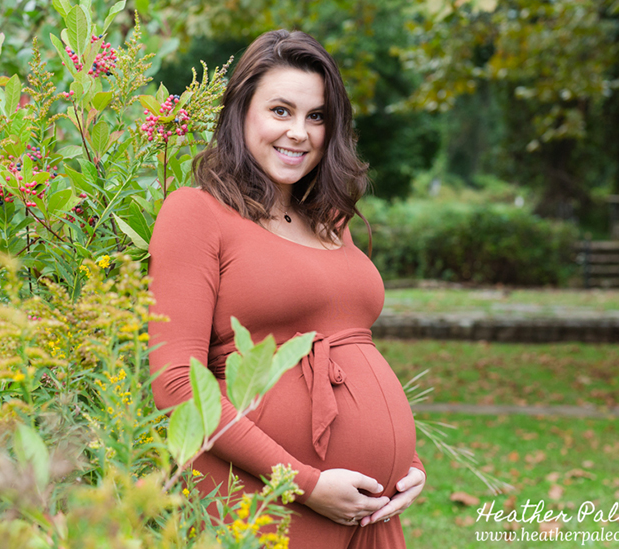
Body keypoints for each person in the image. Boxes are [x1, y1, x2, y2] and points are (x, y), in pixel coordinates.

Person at [147, 30, 425, 547]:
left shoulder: (328, 219)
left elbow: (346, 346)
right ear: (240, 113)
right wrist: (306, 483)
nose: (299, 132)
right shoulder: (197, 213)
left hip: (369, 508)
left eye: (316, 116)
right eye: (280, 110)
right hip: (265, 500)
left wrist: (405, 463)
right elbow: (178, 386)